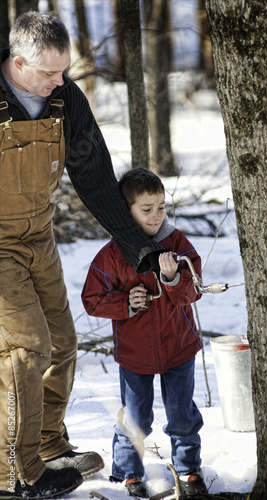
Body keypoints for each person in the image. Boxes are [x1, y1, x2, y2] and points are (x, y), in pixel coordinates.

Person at [0, 12, 163, 499]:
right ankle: (13, 472)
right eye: (49, 72)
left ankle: (47, 447)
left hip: (38, 236)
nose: (60, 81)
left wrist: (142, 250)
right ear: (18, 60)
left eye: (64, 70)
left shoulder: (65, 99)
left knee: (63, 343)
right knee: (26, 347)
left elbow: (93, 175)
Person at [81, 168, 209, 498]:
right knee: (136, 419)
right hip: (135, 354)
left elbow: (192, 291)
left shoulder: (177, 243)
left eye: (161, 207)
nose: (156, 216)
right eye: (146, 209)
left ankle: (188, 469)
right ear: (128, 212)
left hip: (178, 347)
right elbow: (92, 300)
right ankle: (127, 474)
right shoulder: (112, 254)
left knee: (182, 415)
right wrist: (126, 303)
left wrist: (171, 278)